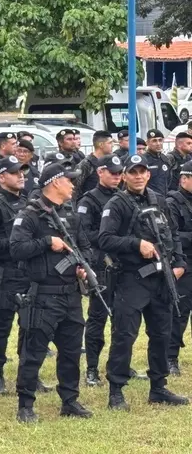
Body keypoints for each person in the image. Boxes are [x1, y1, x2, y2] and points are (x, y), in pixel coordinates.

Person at [99, 154, 189, 410]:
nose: (138, 176)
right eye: (133, 172)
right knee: (124, 336)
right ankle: (116, 391)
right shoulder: (117, 204)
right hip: (132, 279)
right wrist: (136, 244)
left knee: (162, 334)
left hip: (162, 279)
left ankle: (158, 387)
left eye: (143, 172)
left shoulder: (159, 200)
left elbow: (172, 235)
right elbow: (104, 239)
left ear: (148, 174)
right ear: (125, 175)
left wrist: (180, 263)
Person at [10, 162, 94, 423]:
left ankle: (69, 400)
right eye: (69, 180)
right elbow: (16, 249)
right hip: (43, 295)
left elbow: (86, 248)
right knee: (33, 352)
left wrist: (82, 267)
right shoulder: (30, 215)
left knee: (70, 351)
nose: (73, 184)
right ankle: (25, 405)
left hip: (70, 294)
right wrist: (47, 242)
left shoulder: (71, 215)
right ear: (55, 182)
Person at [0, 156, 30, 396]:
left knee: (30, 325)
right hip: (4, 274)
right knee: (1, 326)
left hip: (27, 272)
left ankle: (28, 374)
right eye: (14, 172)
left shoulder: (30, 204)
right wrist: (15, 244)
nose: (21, 175)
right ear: (1, 177)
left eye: (22, 171)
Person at [77, 155, 124, 387]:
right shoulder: (89, 200)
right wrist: (112, 238)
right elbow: (83, 234)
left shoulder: (123, 197)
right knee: (98, 318)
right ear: (100, 172)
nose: (116, 177)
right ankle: (92, 369)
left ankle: (118, 364)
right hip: (100, 265)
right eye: (112, 173)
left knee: (123, 318)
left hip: (123, 265)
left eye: (119, 173)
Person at [168, 161, 192, 376]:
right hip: (184, 263)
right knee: (179, 312)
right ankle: (170, 357)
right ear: (183, 179)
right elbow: (172, 236)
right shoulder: (172, 202)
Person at [74, 130, 114, 200]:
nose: (113, 145)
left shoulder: (110, 162)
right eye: (110, 143)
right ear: (101, 145)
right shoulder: (86, 164)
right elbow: (75, 188)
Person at [142, 129, 173, 196]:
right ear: (147, 143)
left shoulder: (165, 159)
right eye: (154, 141)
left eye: (160, 140)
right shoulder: (143, 160)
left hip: (164, 198)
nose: (158, 143)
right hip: (149, 199)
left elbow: (169, 180)